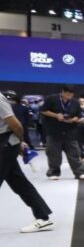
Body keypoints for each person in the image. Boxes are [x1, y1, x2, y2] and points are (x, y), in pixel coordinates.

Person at [0, 93, 54, 232]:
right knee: (19, 183)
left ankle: (43, 218)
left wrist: (19, 141)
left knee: (19, 183)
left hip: (4, 143)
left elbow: (15, 124)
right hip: (5, 144)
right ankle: (43, 218)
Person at [40, 85, 84, 180]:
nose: (69, 96)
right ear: (62, 92)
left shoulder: (75, 102)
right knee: (54, 153)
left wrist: (75, 119)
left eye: (71, 94)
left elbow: (79, 114)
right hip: (54, 131)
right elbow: (43, 111)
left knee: (74, 153)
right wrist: (56, 115)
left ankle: (79, 173)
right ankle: (54, 172)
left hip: (70, 132)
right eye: (67, 94)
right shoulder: (52, 99)